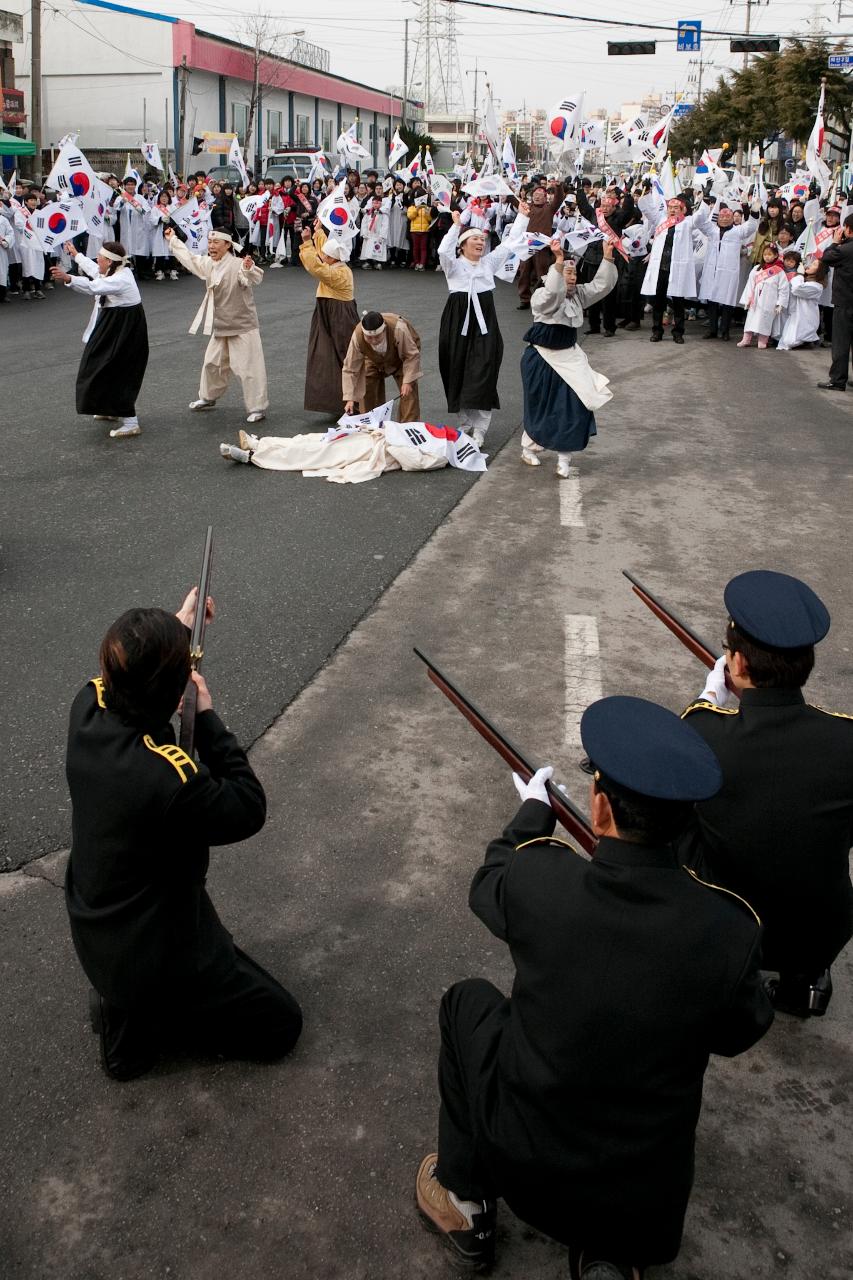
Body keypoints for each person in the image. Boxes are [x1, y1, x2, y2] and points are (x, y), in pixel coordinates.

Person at [416, 695, 772, 1278]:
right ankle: (606, 1255)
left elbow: (490, 882)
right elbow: (739, 1031)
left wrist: (533, 811)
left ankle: (466, 1204)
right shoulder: (728, 929)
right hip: (639, 1205)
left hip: (522, 1164)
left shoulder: (542, 878)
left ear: (599, 809)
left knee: (466, 1001)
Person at [65, 590, 303, 1080]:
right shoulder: (166, 781)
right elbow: (248, 807)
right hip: (155, 948)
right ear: (174, 696)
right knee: (282, 1025)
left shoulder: (87, 711)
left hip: (102, 923)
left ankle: (126, 1008)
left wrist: (177, 628)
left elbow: (127, 673)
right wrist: (207, 717)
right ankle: (149, 1013)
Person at [679, 571, 853, 1018]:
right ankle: (806, 978)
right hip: (820, 927)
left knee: (671, 819)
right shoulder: (847, 739)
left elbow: (685, 763)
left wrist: (708, 698)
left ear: (736, 664)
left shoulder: (703, 734)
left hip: (729, 922)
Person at [520, 238, 617, 478]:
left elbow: (601, 286)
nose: (572, 278)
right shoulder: (542, 296)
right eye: (567, 273)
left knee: (575, 406)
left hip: (570, 359)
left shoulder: (579, 296)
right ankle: (529, 447)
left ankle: (564, 458)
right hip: (542, 359)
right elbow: (554, 293)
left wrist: (607, 257)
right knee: (542, 407)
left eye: (574, 274)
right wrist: (559, 260)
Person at [437, 203, 529, 448]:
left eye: (482, 239)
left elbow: (510, 243)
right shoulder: (453, 266)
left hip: (485, 324)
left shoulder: (488, 263)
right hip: (457, 322)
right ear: (463, 245)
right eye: (474, 239)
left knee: (484, 372)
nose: (480, 242)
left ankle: (480, 428)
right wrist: (456, 226)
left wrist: (522, 215)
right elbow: (443, 251)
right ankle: (465, 424)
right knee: (457, 369)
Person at [166, 227, 268, 425]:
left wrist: (248, 268)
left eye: (216, 243)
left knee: (248, 368)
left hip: (242, 325)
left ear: (228, 245)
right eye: (209, 243)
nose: (211, 247)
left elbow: (253, 277)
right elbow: (189, 259)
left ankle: (257, 407)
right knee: (212, 364)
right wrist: (173, 241)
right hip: (221, 324)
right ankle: (208, 397)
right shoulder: (209, 264)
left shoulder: (238, 264)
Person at [49, 239, 149, 439]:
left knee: (119, 371)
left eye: (101, 258)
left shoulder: (121, 279)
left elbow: (94, 286)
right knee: (100, 367)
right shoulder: (113, 271)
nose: (98, 260)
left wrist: (69, 278)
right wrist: (76, 254)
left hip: (125, 331)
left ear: (110, 262)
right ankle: (108, 408)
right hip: (113, 327)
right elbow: (95, 271)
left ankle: (131, 422)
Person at [299, 224, 360, 415]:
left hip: (340, 316)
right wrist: (318, 232)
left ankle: (356, 402)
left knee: (345, 356)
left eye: (325, 255)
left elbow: (316, 267)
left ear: (333, 258)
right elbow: (325, 251)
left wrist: (307, 243)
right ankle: (338, 403)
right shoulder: (335, 262)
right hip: (329, 312)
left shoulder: (340, 273)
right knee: (325, 357)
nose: (322, 256)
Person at [639, 189, 711, 343]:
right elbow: (645, 208)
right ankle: (657, 331)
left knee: (678, 301)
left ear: (682, 210)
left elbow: (701, 216)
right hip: (661, 268)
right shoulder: (661, 219)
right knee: (659, 301)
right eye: (670, 207)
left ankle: (678, 332)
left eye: (676, 208)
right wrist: (648, 190)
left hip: (677, 269)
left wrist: (704, 197)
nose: (672, 210)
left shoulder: (687, 222)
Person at [574, 183, 635, 335]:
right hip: (590, 259)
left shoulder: (619, 218)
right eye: (603, 205)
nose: (605, 209)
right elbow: (583, 205)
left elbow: (628, 209)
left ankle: (609, 327)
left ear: (615, 207)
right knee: (591, 292)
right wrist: (580, 189)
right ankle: (594, 325)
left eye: (608, 206)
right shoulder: (595, 214)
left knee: (608, 295)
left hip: (608, 260)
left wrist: (623, 194)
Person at [342, 309, 422, 421]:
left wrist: (408, 381)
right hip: (372, 358)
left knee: (409, 393)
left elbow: (411, 356)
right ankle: (372, 423)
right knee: (365, 386)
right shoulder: (358, 335)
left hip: (401, 357)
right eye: (369, 338)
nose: (374, 341)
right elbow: (350, 368)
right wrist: (350, 398)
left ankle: (407, 427)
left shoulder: (399, 329)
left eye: (377, 336)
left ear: (384, 330)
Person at [699, 200, 760, 340]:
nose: (725, 218)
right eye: (722, 216)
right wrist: (705, 201)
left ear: (733, 218)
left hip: (728, 272)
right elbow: (698, 221)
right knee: (711, 300)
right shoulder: (711, 230)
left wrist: (753, 212)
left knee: (727, 301)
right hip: (712, 271)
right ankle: (712, 330)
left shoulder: (738, 231)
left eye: (728, 216)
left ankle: (725, 330)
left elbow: (751, 226)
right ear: (718, 218)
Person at [817, 214, 853, 391]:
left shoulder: (844, 250)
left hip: (845, 302)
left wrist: (835, 241)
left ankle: (838, 379)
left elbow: (827, 257)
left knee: (841, 343)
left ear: (847, 229)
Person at [515, 178, 564, 309]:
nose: (537, 197)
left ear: (545, 198)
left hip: (542, 246)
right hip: (527, 245)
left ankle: (542, 297)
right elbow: (515, 202)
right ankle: (524, 299)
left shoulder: (549, 208)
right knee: (524, 272)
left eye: (540, 195)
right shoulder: (527, 208)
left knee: (541, 273)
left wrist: (558, 186)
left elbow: (559, 200)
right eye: (535, 195)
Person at [737, 242, 789, 349]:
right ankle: (746, 339)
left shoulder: (779, 271)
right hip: (755, 299)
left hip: (770, 300)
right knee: (751, 318)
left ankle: (762, 340)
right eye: (765, 254)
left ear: (775, 255)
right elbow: (750, 284)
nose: (767, 257)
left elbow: (783, 288)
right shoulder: (757, 268)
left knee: (765, 320)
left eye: (770, 254)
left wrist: (780, 303)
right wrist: (747, 299)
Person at [777, 253, 825, 350]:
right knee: (783, 340)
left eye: (814, 265)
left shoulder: (816, 286)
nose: (810, 265)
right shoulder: (804, 280)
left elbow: (797, 289)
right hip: (794, 316)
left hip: (805, 318)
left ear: (819, 271)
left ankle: (807, 341)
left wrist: (799, 274)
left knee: (789, 342)